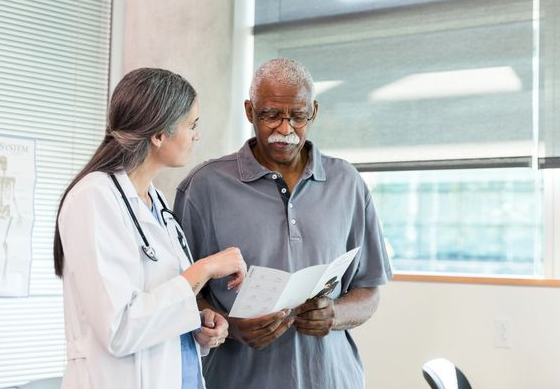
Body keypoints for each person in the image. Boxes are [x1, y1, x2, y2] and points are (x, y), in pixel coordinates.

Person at [174, 58, 392, 389]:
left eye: (298, 116)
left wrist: (334, 314)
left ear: (313, 112)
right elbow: (179, 292)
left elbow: (369, 291)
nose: (285, 129)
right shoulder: (204, 187)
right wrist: (231, 326)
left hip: (334, 379)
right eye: (271, 115)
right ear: (250, 111)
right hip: (236, 379)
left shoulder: (347, 182)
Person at [53, 68, 247, 389]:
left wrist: (194, 326)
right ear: (158, 135)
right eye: (191, 125)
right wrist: (204, 269)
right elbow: (119, 329)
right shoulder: (93, 198)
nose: (197, 135)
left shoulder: (155, 202)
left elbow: (156, 308)